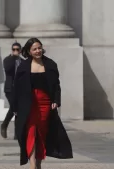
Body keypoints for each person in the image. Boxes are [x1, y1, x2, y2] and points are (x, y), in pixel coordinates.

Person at [12, 38, 73, 169]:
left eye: (39, 48)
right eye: (34, 49)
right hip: (29, 104)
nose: (38, 51)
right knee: (31, 132)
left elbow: (56, 85)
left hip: (45, 103)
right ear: (29, 51)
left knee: (41, 133)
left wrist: (56, 100)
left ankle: (38, 163)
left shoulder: (50, 64)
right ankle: (33, 164)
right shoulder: (23, 66)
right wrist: (15, 106)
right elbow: (16, 88)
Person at [0, 42, 25, 139]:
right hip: (10, 89)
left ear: (20, 50)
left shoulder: (23, 62)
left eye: (17, 49)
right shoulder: (7, 60)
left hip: (19, 89)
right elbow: (8, 69)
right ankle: (4, 125)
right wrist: (13, 58)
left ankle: (16, 133)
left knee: (17, 109)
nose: (15, 51)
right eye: (14, 49)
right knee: (14, 107)